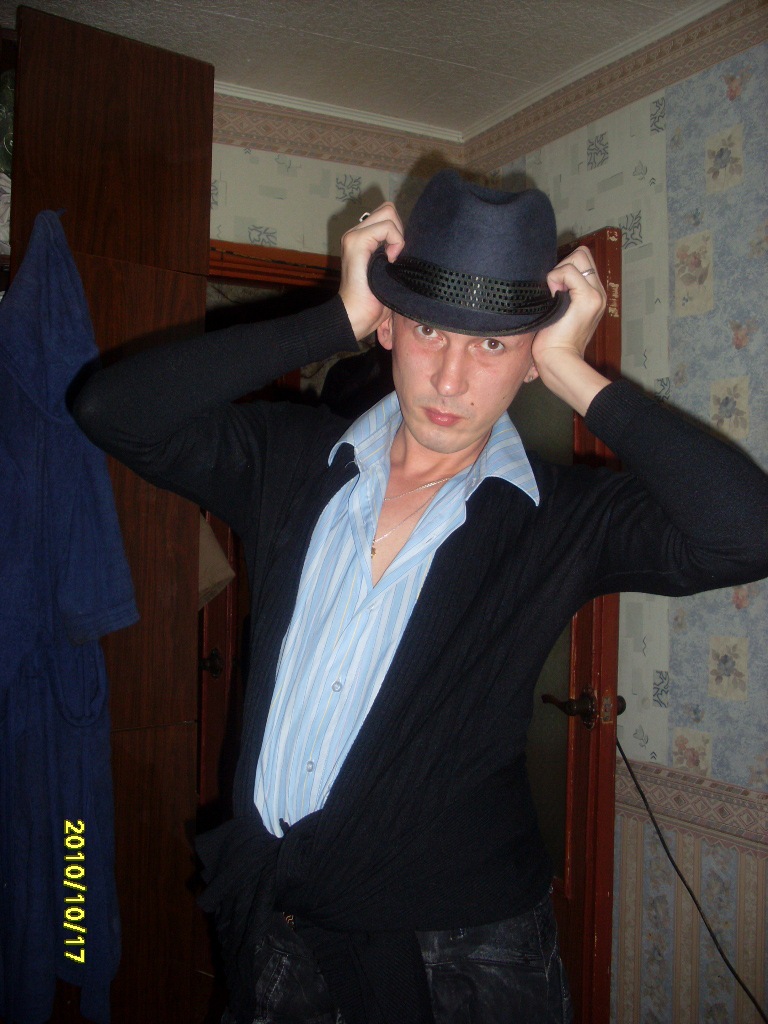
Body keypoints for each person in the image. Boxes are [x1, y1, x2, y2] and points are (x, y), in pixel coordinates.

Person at [74, 169, 768, 1024]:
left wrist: (573, 370)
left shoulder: (562, 520)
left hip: (462, 957)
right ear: (388, 325)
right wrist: (332, 317)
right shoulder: (291, 461)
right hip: (277, 919)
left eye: (493, 346)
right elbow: (111, 409)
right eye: (430, 328)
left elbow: (747, 530)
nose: (448, 378)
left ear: (530, 360)